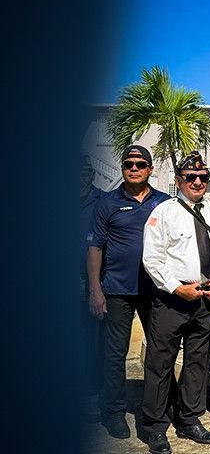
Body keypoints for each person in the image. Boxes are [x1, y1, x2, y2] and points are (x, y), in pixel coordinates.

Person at [141, 151, 210, 454]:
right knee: (161, 362)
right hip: (173, 299)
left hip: (207, 298)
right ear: (179, 179)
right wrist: (175, 288)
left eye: (202, 177)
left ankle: (189, 419)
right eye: (190, 177)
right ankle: (155, 426)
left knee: (198, 361)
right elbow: (152, 259)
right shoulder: (163, 212)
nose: (197, 181)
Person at [86, 145, 170, 439]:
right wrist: (95, 290)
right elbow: (95, 247)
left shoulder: (164, 203)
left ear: (150, 169)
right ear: (123, 168)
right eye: (128, 164)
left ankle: (156, 411)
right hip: (117, 291)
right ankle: (113, 412)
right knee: (115, 354)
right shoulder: (107, 203)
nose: (134, 168)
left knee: (159, 354)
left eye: (140, 164)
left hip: (156, 291)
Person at [79, 156, 104, 418]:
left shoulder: (103, 201)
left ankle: (93, 388)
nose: (81, 176)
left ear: (93, 174)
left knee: (95, 337)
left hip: (94, 280)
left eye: (86, 171)